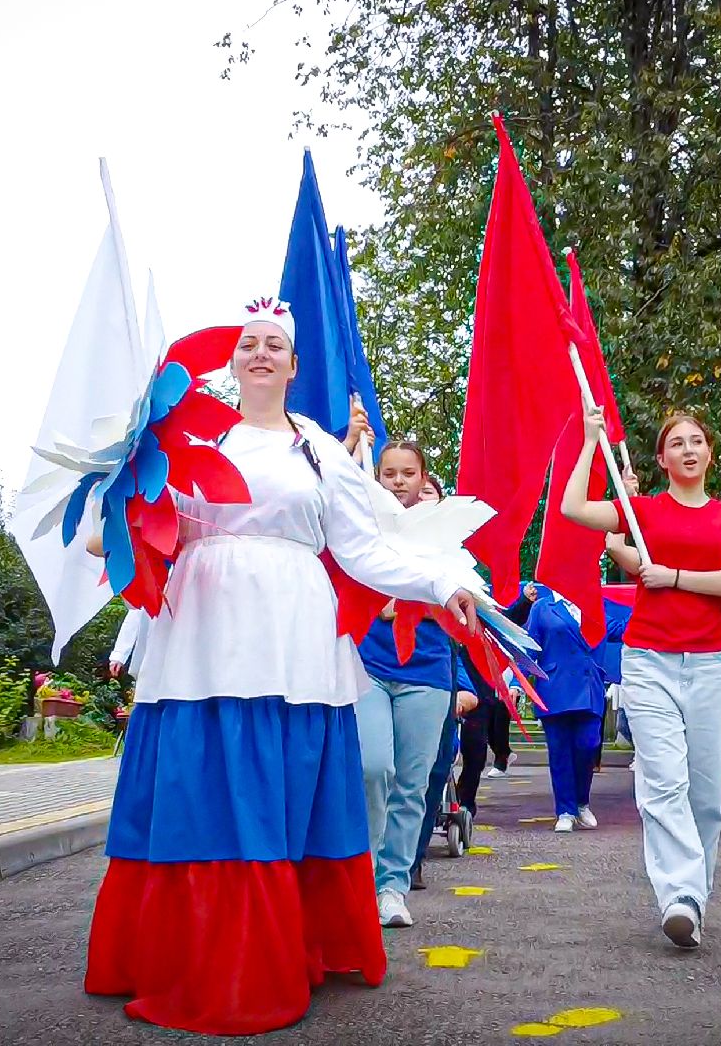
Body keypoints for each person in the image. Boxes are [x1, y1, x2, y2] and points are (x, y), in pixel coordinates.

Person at [84, 301, 479, 1036]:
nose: (261, 353)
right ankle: (189, 957)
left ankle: (287, 947)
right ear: (232, 363)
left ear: (295, 366)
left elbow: (363, 550)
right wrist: (113, 514)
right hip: (200, 626)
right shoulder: (183, 438)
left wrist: (437, 583)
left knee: (282, 780)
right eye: (248, 344)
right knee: (200, 780)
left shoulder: (323, 452)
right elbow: (137, 526)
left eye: (275, 346)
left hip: (294, 628)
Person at [561, 408, 721, 949]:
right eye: (677, 443)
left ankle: (694, 894)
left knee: (705, 795)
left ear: (709, 453)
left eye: (697, 440)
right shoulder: (640, 510)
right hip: (648, 662)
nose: (688, 449)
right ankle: (681, 898)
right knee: (664, 783)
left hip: (713, 664)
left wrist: (672, 576)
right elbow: (572, 507)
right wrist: (589, 441)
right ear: (662, 457)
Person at [356, 440, 480, 928]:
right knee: (372, 768)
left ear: (424, 477)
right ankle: (360, 878)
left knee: (413, 783)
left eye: (409, 473)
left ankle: (392, 887)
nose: (400, 481)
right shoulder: (363, 533)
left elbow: (470, 603)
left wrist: (417, 602)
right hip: (366, 666)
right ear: (378, 479)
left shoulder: (448, 541)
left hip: (427, 672)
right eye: (390, 474)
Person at [508, 581, 628, 832]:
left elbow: (621, 629)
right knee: (560, 751)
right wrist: (518, 683)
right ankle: (565, 810)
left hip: (589, 686)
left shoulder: (596, 605)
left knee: (588, 745)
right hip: (555, 687)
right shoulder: (543, 607)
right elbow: (531, 646)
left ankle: (581, 802)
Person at [409, 476, 481, 892]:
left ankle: (410, 859)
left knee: (433, 772)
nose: (418, 499)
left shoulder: (455, 561)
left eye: (428, 494)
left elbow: (467, 636)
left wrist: (466, 686)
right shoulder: (377, 545)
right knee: (380, 771)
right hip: (380, 670)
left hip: (438, 675)